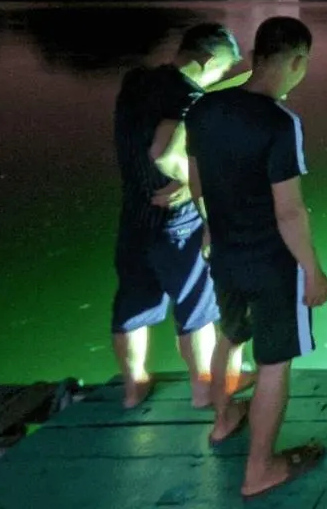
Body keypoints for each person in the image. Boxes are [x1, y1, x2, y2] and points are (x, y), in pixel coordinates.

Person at [186, 16, 327, 500]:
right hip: (271, 264)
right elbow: (289, 211)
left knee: (230, 334)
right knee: (274, 363)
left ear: (253, 56)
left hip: (224, 253)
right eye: (303, 64)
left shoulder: (203, 109)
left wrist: (212, 224)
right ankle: (260, 470)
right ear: (296, 61)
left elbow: (197, 181)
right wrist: (312, 270)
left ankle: (223, 420)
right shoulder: (280, 122)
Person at [110, 22, 246, 409]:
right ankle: (203, 391)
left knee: (134, 303)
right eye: (221, 68)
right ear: (206, 59)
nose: (220, 77)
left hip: (134, 215)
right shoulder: (192, 99)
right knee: (196, 308)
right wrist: (194, 189)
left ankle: (134, 388)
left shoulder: (135, 82)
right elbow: (165, 152)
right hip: (178, 223)